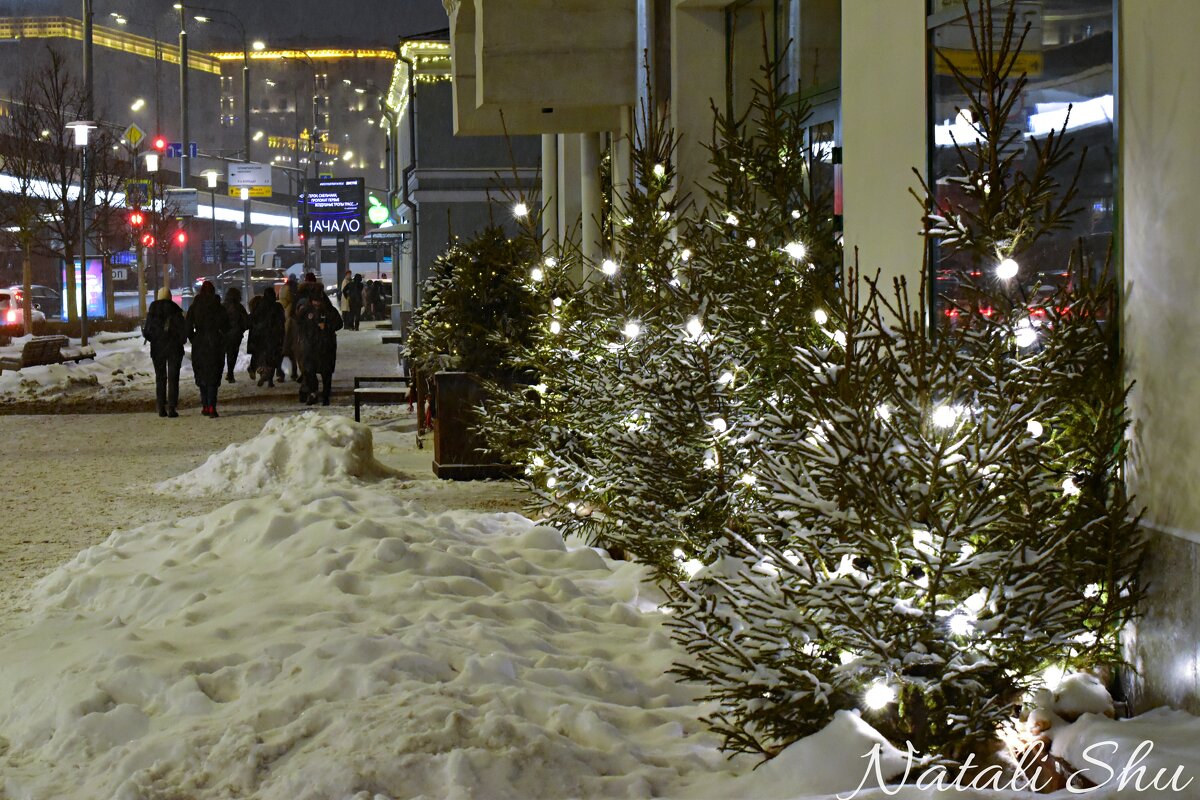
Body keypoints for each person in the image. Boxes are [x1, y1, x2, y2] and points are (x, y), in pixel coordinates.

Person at [187, 280, 230, 417]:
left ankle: (205, 405)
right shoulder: (218, 306)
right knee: (213, 373)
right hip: (214, 342)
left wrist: (193, 338)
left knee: (201, 374)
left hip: (199, 342)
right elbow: (226, 326)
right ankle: (212, 406)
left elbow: (188, 325)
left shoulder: (195, 306)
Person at [142, 287, 186, 418]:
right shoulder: (175, 311)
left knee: (160, 378)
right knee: (173, 378)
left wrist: (155, 339)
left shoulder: (152, 312)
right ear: (170, 297)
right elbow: (183, 332)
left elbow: (148, 332)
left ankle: (161, 407)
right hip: (174, 349)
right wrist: (178, 341)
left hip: (157, 349)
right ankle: (172, 408)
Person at [297, 291, 343, 405]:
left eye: (318, 301)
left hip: (326, 346)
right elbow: (300, 324)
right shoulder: (306, 311)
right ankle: (313, 393)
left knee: (326, 372)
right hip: (311, 346)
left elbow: (339, 324)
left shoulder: (330, 311)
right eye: (314, 301)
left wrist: (327, 327)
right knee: (309, 371)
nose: (316, 304)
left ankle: (326, 395)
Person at [248, 286, 285, 387]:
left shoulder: (259, 305)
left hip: (261, 337)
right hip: (274, 336)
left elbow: (253, 319)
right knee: (273, 358)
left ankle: (263, 374)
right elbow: (282, 321)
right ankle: (270, 380)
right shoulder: (278, 306)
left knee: (263, 358)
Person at [222, 285, 250, 383]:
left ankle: (220, 373)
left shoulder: (222, 306)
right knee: (232, 354)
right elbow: (246, 321)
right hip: (235, 335)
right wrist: (241, 329)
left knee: (221, 354)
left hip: (223, 334)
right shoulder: (239, 307)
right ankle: (230, 373)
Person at [279, 273, 299, 382]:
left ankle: (282, 374)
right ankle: (294, 373)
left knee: (284, 351)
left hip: (285, 327)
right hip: (292, 325)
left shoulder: (283, 289)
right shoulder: (294, 291)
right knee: (293, 351)